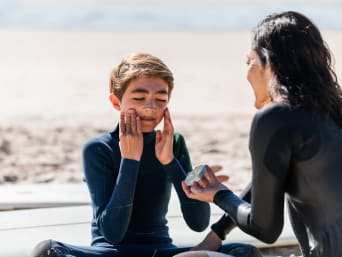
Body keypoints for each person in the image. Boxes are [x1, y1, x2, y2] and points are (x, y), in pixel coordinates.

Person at [31, 53, 261, 257]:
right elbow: (112, 233)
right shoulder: (98, 148)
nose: (151, 107)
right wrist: (130, 159)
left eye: (160, 100)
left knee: (245, 252)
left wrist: (171, 162)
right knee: (47, 251)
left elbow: (198, 223)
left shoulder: (174, 144)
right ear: (116, 101)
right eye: (139, 99)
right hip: (109, 253)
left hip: (161, 251)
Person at [177, 11, 342, 257]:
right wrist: (218, 232)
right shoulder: (331, 112)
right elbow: (267, 178)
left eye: (249, 61)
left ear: (269, 63)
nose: (247, 73)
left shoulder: (275, 117)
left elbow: (265, 228)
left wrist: (219, 195)